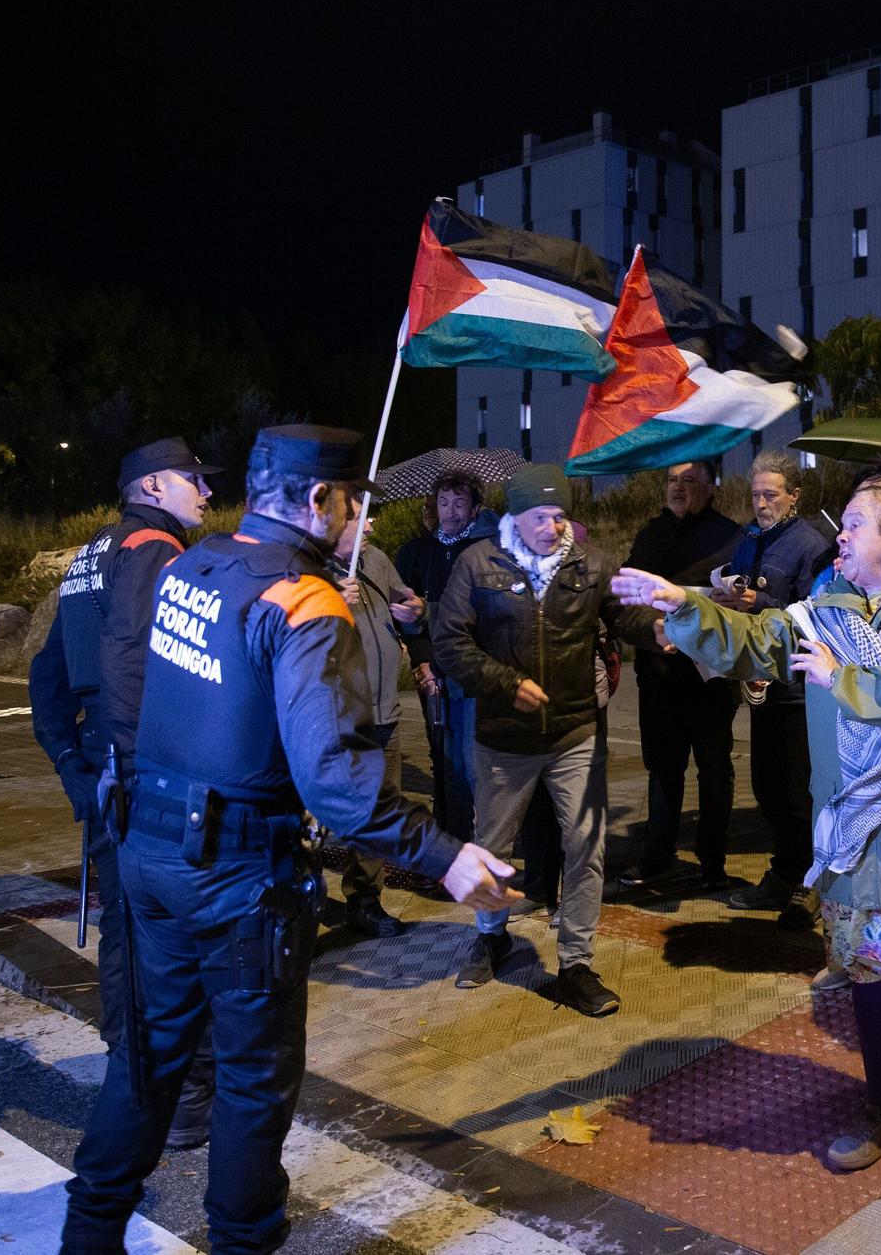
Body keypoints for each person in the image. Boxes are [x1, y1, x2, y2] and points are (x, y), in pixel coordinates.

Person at [60, 424, 515, 1255]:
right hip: (239, 883)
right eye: (354, 505)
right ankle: (244, 1241)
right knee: (249, 1085)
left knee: (148, 1062)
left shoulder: (188, 567)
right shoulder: (305, 602)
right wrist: (446, 856)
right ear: (318, 499)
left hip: (151, 857)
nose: (360, 523)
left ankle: (87, 1233)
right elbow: (336, 786)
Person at [612, 467, 881, 1172]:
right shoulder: (827, 599)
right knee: (866, 968)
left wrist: (838, 676)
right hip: (844, 816)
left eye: (853, 523)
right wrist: (681, 604)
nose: (838, 534)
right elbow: (756, 640)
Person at [29, 435, 223, 1151]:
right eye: (190, 479)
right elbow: (131, 663)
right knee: (172, 939)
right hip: (143, 768)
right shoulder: (152, 550)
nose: (204, 491)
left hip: (105, 763)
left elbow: (46, 675)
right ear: (149, 487)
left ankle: (135, 1083)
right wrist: (142, 772)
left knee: (127, 939)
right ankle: (182, 1097)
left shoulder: (89, 556)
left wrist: (75, 768)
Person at [434, 464, 651, 1014]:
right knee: (493, 849)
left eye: (560, 516)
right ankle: (491, 936)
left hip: (574, 731)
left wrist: (664, 628)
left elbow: (626, 614)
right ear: (514, 517)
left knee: (586, 846)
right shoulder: (477, 564)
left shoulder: (590, 561)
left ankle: (576, 964)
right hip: (503, 740)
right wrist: (507, 684)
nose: (554, 528)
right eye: (540, 517)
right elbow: (451, 643)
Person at [716, 450, 835, 928]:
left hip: (799, 689)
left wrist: (760, 600)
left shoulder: (812, 545)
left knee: (797, 791)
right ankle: (784, 872)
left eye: (771, 494)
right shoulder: (748, 538)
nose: (762, 503)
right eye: (756, 494)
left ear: (794, 496)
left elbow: (817, 612)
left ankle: (812, 886)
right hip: (759, 680)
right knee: (766, 786)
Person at [617, 460, 743, 890]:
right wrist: (650, 631)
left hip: (710, 679)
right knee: (663, 769)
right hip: (659, 676)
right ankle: (657, 856)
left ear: (710, 488)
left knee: (713, 769)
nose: (678, 488)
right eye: (672, 480)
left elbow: (743, 604)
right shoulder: (649, 536)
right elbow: (623, 603)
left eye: (689, 481)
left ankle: (713, 863)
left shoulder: (731, 536)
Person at [323, 493, 429, 939]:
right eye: (360, 520)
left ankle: (365, 900)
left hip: (385, 710)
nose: (371, 528)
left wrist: (416, 612)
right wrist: (328, 603)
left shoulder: (376, 560)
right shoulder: (305, 571)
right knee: (320, 816)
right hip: (337, 722)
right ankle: (298, 900)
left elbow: (407, 613)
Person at [394, 471, 499, 840]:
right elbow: (408, 615)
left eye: (459, 503)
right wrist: (422, 660)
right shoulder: (421, 552)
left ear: (474, 509)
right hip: (435, 673)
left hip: (473, 673)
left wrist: (431, 612)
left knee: (472, 765)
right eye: (443, 503)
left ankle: (485, 843)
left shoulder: (491, 551)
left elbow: (486, 614)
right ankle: (454, 843)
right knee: (444, 761)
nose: (450, 512)